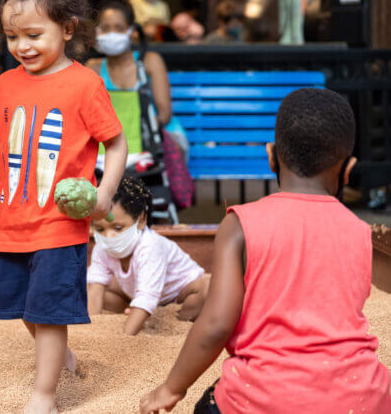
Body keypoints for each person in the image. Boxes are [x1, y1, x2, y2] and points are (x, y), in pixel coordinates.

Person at [140, 88, 391, 414]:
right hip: (361, 398)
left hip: (264, 397)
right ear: (348, 169)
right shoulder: (359, 232)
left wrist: (171, 388)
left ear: (271, 156)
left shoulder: (240, 225)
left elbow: (216, 324)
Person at [0, 0, 127, 413]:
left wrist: (103, 196)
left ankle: (44, 396)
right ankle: (60, 358)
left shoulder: (84, 85)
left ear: (68, 29)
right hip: (12, 223)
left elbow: (115, 145)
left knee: (49, 309)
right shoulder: (5, 85)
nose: (22, 46)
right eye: (13, 37)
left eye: (34, 35)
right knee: (21, 306)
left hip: (59, 224)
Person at [88, 176, 208, 335]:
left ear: (141, 220)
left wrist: (123, 339)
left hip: (179, 296)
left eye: (117, 228)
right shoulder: (102, 247)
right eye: (100, 229)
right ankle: (139, 313)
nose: (109, 236)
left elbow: (147, 296)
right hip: (135, 295)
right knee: (87, 286)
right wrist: (90, 331)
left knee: (207, 288)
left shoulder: (150, 245)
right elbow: (95, 288)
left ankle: (167, 321)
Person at [86, 0, 190, 158]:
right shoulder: (94, 68)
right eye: (105, 28)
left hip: (152, 138)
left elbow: (164, 113)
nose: (112, 33)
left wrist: (136, 133)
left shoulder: (150, 62)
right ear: (97, 32)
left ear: (132, 31)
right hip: (109, 144)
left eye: (119, 27)